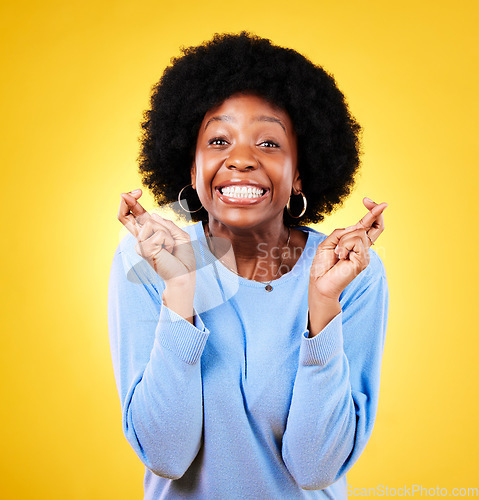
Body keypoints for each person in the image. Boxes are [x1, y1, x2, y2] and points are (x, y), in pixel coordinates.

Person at [108, 32, 389, 499]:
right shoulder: (145, 260)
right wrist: (180, 290)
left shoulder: (350, 273)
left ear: (299, 171)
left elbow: (316, 468)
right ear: (192, 168)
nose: (241, 159)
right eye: (219, 140)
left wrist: (322, 303)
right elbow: (166, 455)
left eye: (269, 143)